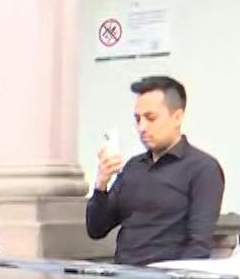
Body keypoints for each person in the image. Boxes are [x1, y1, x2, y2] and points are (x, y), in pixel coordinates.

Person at [85, 76, 225, 266]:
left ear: (177, 117)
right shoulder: (134, 166)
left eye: (151, 118)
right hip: (122, 278)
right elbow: (96, 229)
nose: (142, 127)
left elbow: (198, 246)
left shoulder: (202, 169)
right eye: (137, 119)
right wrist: (101, 184)